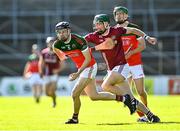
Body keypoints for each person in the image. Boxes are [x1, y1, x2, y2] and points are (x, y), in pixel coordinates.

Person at [53, 21, 136, 124]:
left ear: (69, 31)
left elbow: (87, 60)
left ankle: (75, 118)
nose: (61, 34)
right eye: (59, 32)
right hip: (83, 69)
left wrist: (77, 74)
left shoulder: (79, 41)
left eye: (64, 32)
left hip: (89, 66)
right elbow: (62, 57)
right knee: (94, 96)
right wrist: (63, 54)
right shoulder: (57, 44)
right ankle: (124, 99)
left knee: (74, 94)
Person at [85, 14, 160, 123]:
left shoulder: (117, 31)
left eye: (99, 24)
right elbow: (81, 42)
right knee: (132, 98)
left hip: (122, 66)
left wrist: (147, 37)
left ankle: (127, 100)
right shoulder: (94, 36)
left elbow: (134, 30)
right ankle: (151, 116)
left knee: (105, 85)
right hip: (112, 70)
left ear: (106, 24)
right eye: (95, 24)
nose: (97, 26)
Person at [113, 6, 152, 122]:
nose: (119, 16)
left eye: (121, 14)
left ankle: (147, 111)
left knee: (141, 92)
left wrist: (131, 53)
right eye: (117, 14)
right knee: (127, 94)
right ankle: (142, 116)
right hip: (122, 66)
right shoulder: (113, 30)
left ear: (126, 15)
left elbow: (142, 46)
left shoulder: (134, 28)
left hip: (135, 64)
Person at [39, 37, 65, 107]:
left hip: (54, 75)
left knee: (53, 89)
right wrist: (41, 71)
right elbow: (41, 63)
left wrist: (57, 70)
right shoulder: (44, 52)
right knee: (47, 93)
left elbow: (63, 65)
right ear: (47, 43)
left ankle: (54, 102)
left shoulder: (58, 52)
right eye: (49, 42)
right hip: (46, 74)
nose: (50, 43)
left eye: (52, 42)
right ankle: (54, 98)